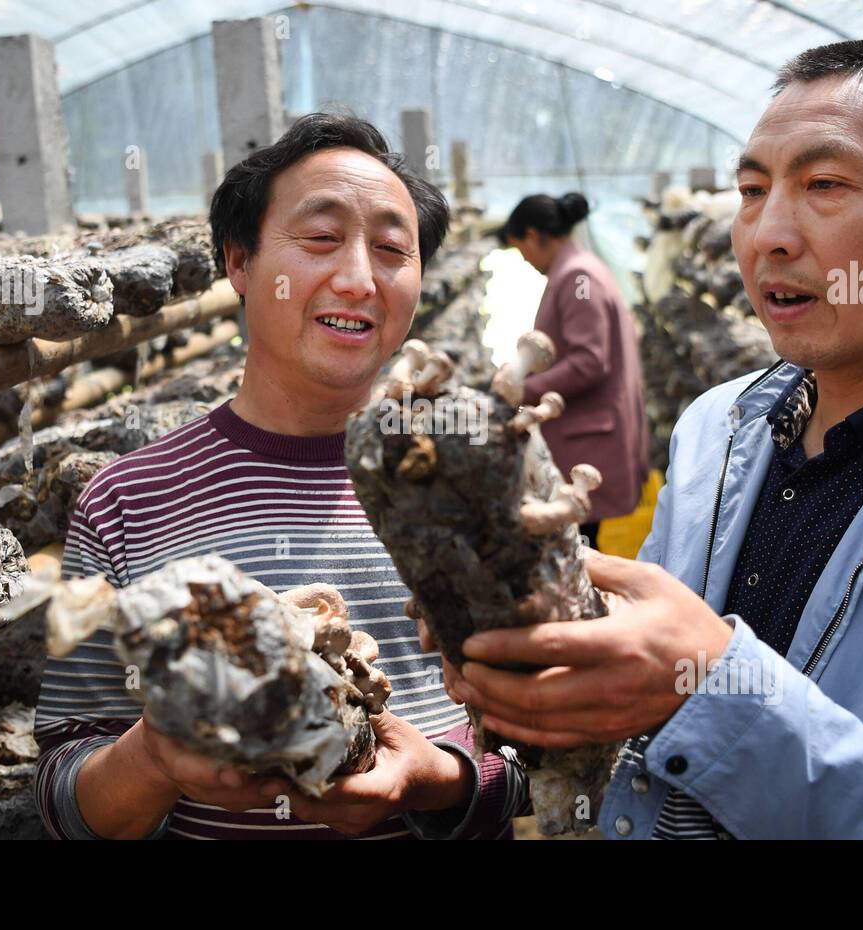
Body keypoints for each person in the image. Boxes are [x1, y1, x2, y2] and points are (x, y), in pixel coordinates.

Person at [439, 38, 863, 839]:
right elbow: (632, 736)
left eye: (824, 184)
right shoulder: (721, 424)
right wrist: (491, 731)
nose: (766, 233)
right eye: (751, 188)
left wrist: (709, 689)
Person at [34, 113, 528, 840]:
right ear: (239, 261)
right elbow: (62, 796)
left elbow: (538, 757)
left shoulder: (470, 488)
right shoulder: (128, 499)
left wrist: (437, 782)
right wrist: (154, 758)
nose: (359, 278)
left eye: (393, 248)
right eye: (321, 239)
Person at [499, 193, 649, 548]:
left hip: (586, 436)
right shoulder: (580, 269)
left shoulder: (578, 277)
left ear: (534, 235)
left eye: (522, 250)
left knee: (577, 542)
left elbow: (590, 361)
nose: (526, 260)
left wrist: (523, 388)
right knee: (579, 540)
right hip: (589, 430)